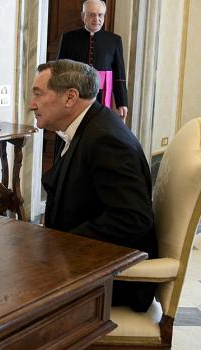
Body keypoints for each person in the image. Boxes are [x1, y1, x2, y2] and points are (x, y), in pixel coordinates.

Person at [30, 59, 158, 312]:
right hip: (80, 262)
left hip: (111, 279)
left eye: (38, 94)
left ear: (70, 97)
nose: (31, 104)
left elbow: (132, 217)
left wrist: (61, 248)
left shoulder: (106, 140)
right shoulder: (89, 127)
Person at [57, 0, 128, 121]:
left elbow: (119, 75)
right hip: (75, 93)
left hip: (102, 97)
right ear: (83, 16)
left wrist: (122, 102)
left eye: (100, 15)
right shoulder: (69, 38)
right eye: (92, 14)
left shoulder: (114, 40)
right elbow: (59, 70)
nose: (96, 18)